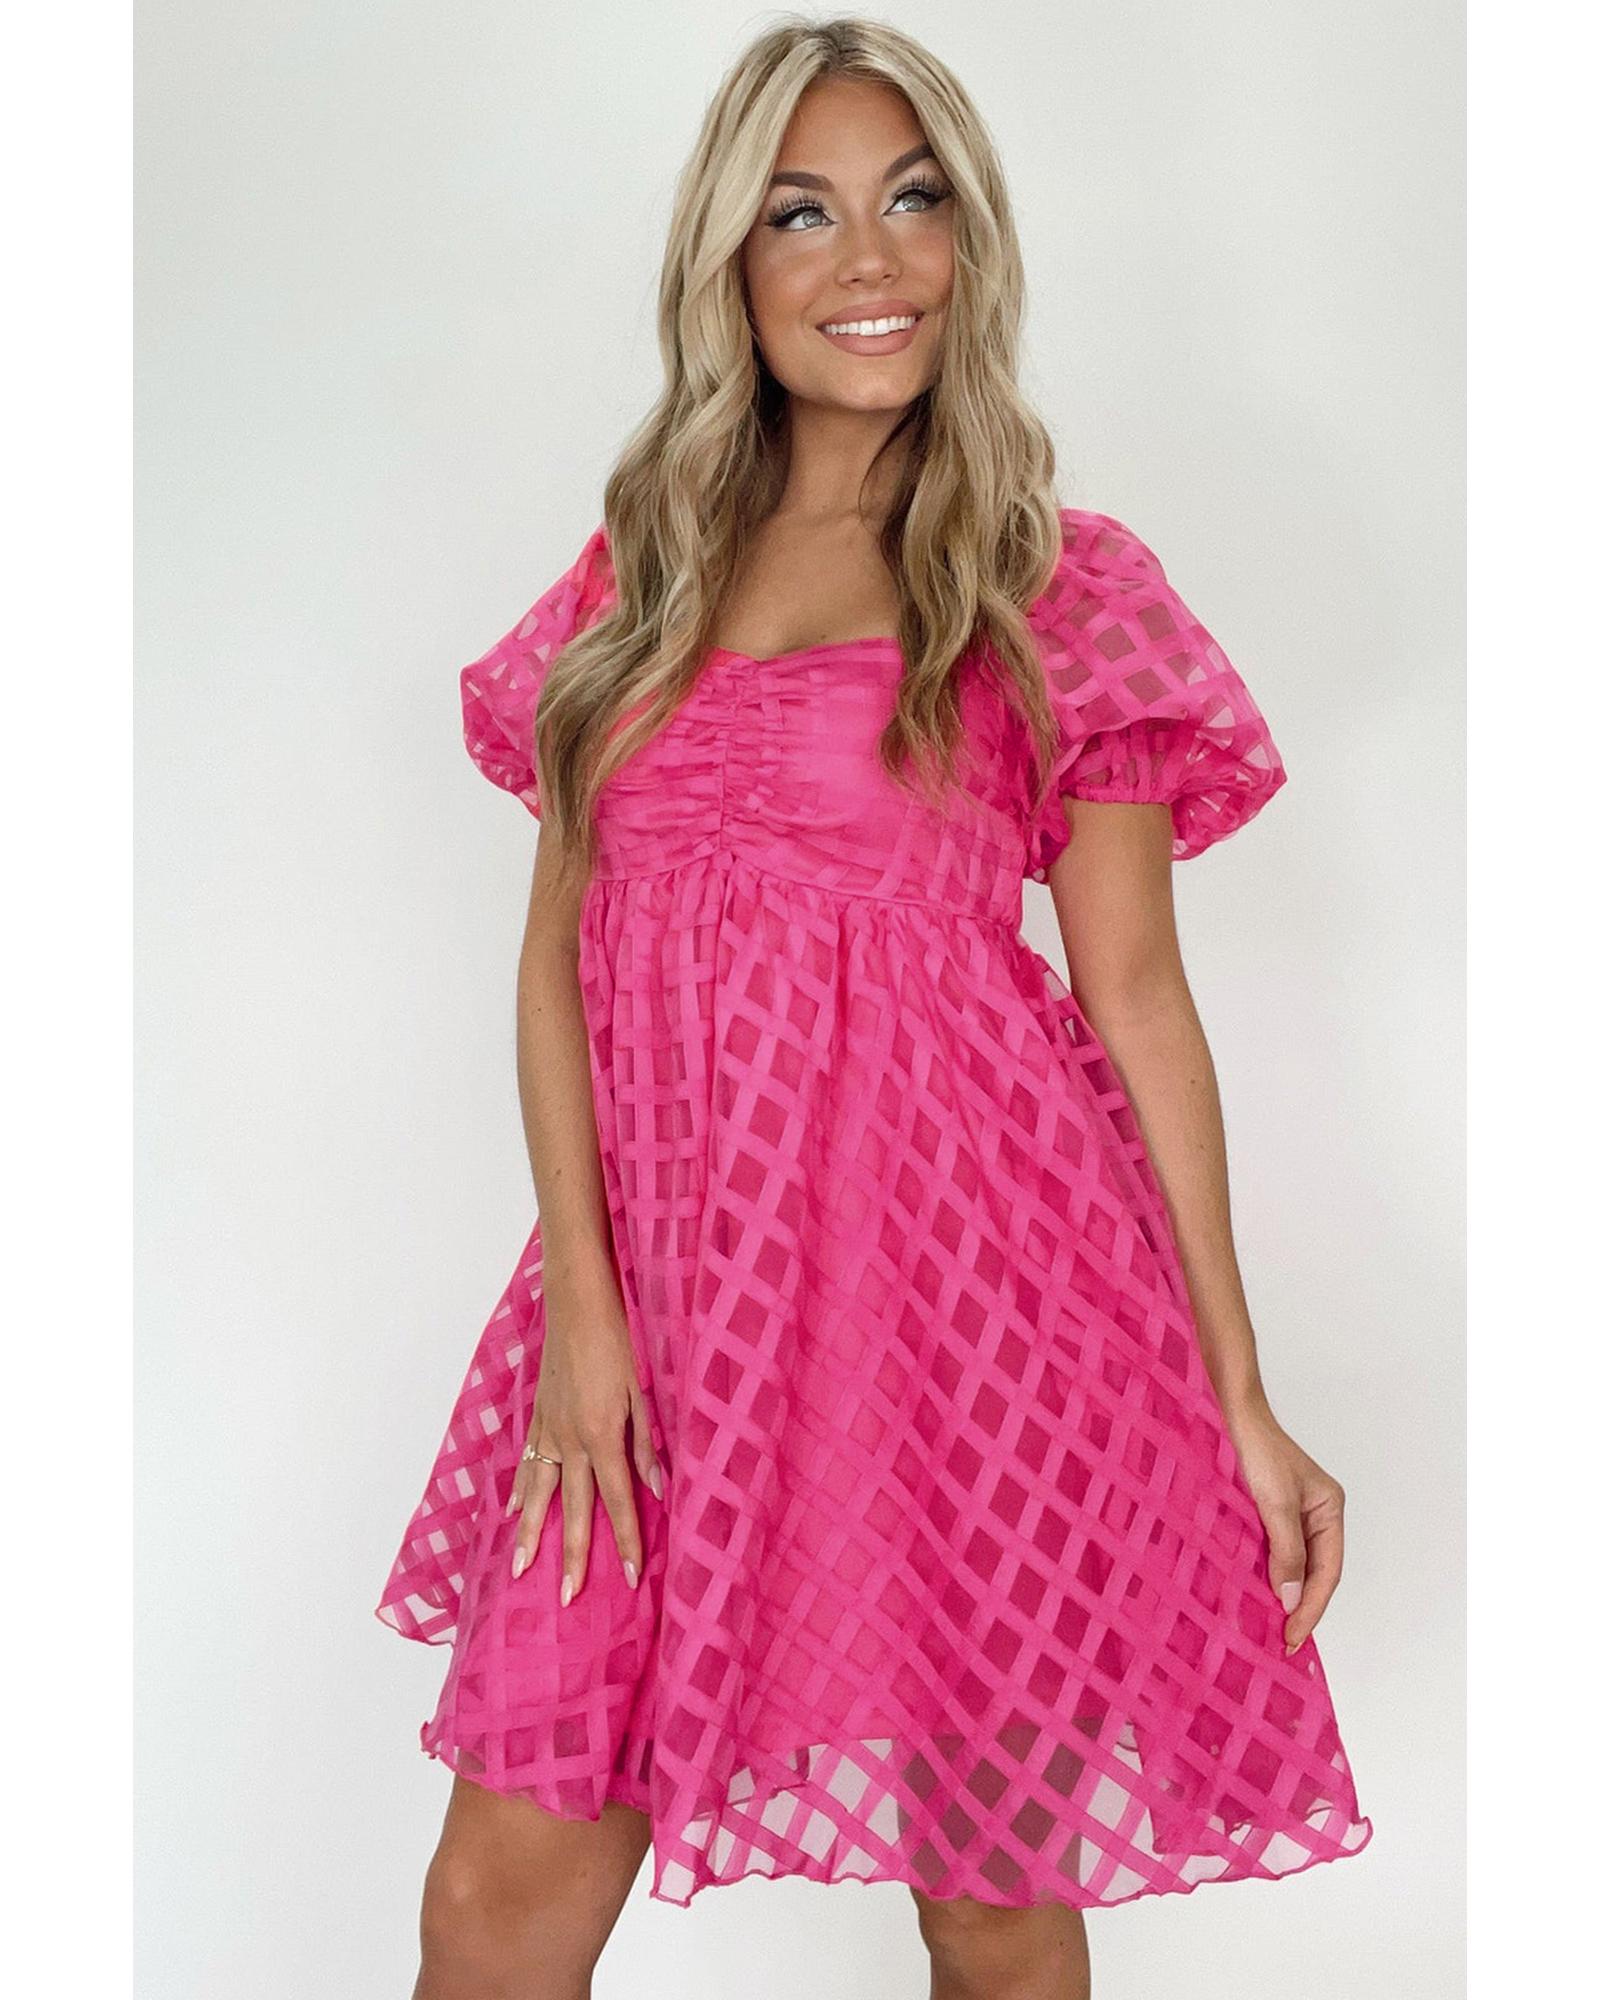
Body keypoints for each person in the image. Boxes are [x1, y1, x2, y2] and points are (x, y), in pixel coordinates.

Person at [375, 16, 1374, 1997]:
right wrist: (587, 1319)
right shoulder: (639, 574)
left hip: (962, 1303)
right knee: (499, 1894)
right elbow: (555, 961)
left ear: (969, 239)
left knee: (988, 1893)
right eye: (802, 212)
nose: (870, 258)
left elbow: (1136, 1002)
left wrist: (1239, 1393)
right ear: (730, 263)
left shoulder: (1051, 581)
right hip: (659, 1302)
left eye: (913, 200)